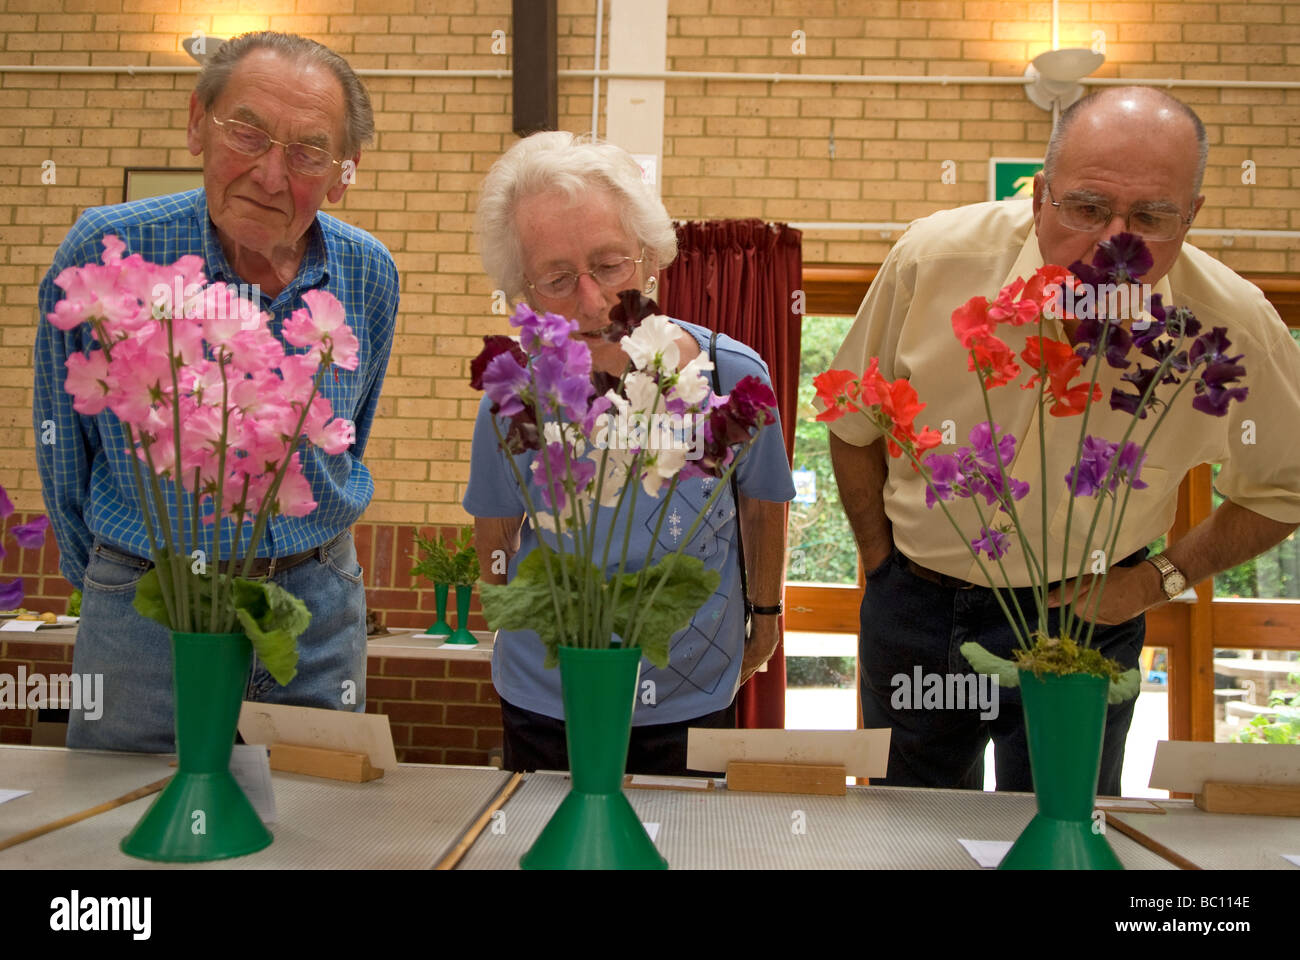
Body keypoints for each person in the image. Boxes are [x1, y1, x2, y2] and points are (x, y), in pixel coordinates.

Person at [828, 87, 1300, 795]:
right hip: (919, 608)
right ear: (1040, 195)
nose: (1116, 243)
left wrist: (1158, 581)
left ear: (1192, 216)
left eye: (1151, 217)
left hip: (1085, 621)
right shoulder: (935, 260)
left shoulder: (1230, 322)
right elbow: (852, 420)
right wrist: (880, 562)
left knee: (1062, 832)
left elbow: (1286, 487)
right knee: (907, 826)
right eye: (1086, 208)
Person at [34, 32, 399, 753]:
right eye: (248, 132)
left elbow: (348, 433)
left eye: (306, 152)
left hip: (313, 607)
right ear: (198, 121)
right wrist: (119, 578)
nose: (270, 174)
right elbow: (62, 449)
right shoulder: (106, 247)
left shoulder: (368, 272)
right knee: (124, 828)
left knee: (315, 830)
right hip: (147, 609)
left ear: (341, 173)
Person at [465, 131, 795, 775]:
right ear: (525, 294)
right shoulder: (513, 392)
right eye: (558, 278)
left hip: (691, 686)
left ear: (649, 257)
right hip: (552, 696)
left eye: (610, 265)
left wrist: (766, 613)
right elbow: (497, 537)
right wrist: (513, 627)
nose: (593, 303)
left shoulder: (729, 375)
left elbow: (762, 504)